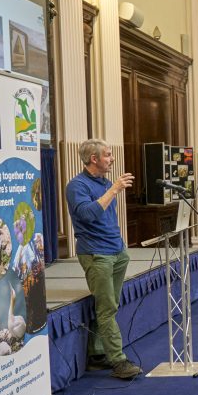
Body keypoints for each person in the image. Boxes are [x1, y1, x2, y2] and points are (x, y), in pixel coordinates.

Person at [65, 139, 140, 380]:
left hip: (117, 251)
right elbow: (88, 214)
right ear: (94, 159)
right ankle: (118, 361)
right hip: (96, 254)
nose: (112, 158)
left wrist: (121, 247)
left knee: (109, 306)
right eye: (107, 155)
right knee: (107, 309)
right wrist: (115, 189)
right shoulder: (77, 185)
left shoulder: (106, 182)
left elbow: (107, 217)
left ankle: (98, 354)